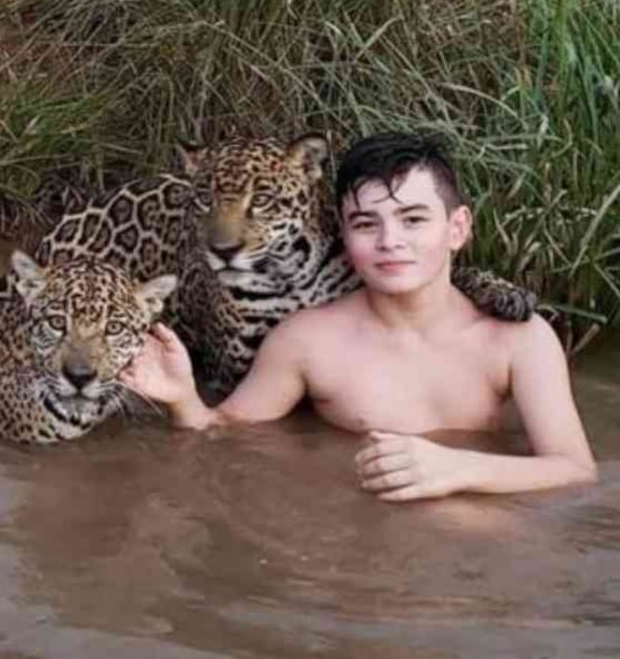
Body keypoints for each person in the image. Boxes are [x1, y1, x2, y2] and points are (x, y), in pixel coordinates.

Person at [121, 133, 597, 501]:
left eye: (413, 220)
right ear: (343, 235)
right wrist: (181, 397)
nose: (390, 241)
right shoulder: (306, 341)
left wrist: (458, 469)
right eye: (367, 224)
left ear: (458, 229)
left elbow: (575, 471)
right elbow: (222, 429)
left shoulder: (518, 340)